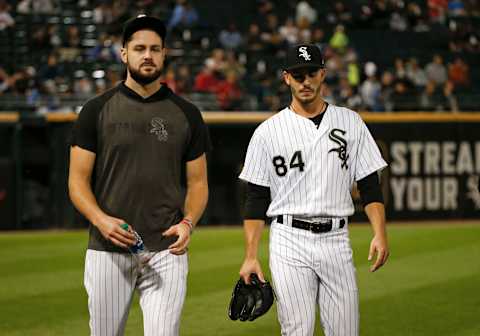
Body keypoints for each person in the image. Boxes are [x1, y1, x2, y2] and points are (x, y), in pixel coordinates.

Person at [68, 15, 210, 336]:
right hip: (109, 249)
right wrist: (101, 219)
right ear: (124, 53)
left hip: (167, 249)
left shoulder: (187, 114)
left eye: (155, 49)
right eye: (139, 48)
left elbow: (199, 183)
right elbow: (76, 182)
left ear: (164, 54)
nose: (148, 55)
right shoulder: (96, 110)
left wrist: (188, 222)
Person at [238, 44, 389, 336]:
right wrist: (250, 254)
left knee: (345, 330)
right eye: (297, 75)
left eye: (310, 73)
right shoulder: (267, 132)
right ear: (286, 78)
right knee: (298, 330)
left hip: (336, 238)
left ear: (322, 74)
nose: (304, 81)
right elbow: (256, 199)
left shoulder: (350, 122)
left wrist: (380, 233)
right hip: (288, 240)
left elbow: (370, 186)